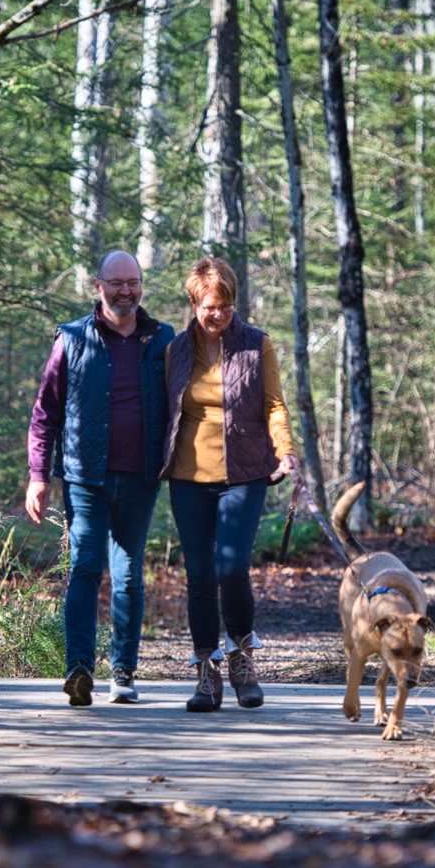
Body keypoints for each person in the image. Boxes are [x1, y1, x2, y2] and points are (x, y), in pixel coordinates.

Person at [27, 250, 175, 707]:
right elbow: (44, 413)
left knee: (129, 576)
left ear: (141, 285)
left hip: (141, 478)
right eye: (116, 283)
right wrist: (38, 475)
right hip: (83, 479)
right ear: (98, 286)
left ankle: (124, 673)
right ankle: (79, 670)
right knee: (85, 568)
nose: (126, 291)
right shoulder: (71, 338)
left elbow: (188, 404)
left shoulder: (162, 339)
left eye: (133, 282)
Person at [161, 257, 299, 713]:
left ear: (233, 303)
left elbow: (274, 403)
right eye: (206, 306)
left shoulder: (257, 344)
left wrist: (284, 449)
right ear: (194, 304)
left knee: (231, 566)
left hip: (244, 472)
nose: (215, 314)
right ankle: (207, 672)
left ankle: (243, 661)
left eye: (223, 305)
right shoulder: (176, 351)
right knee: (199, 575)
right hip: (187, 476)